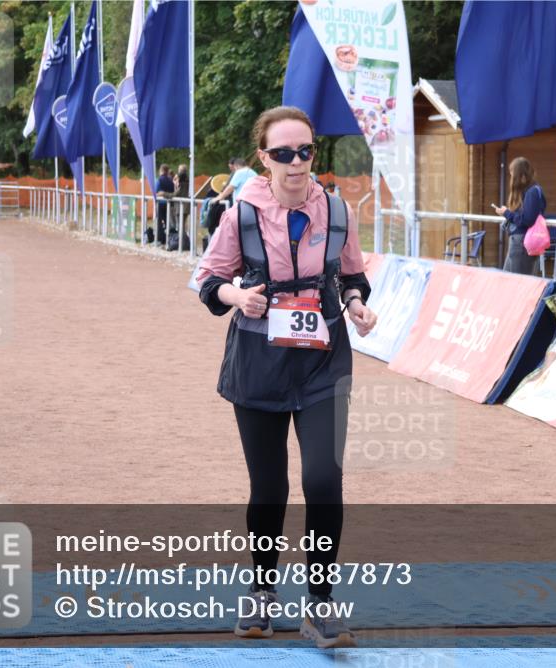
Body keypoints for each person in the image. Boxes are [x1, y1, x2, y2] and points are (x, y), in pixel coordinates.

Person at [194, 106, 377, 649]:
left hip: (323, 362)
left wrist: (356, 304)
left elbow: (351, 275)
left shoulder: (337, 211)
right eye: (283, 154)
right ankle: (261, 592)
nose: (296, 163)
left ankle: (320, 605)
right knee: (269, 486)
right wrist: (237, 295)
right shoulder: (241, 215)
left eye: (305, 151)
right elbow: (208, 279)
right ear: (264, 158)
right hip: (259, 362)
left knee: (323, 479)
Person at [493, 157, 546, 275]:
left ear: (520, 175)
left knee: (516, 280)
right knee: (508, 279)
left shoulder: (532, 192)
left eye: (512, 174)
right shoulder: (529, 191)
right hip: (519, 241)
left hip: (522, 242)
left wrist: (507, 213)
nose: (511, 178)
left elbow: (527, 220)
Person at [155, 164, 174, 245]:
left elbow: (155, 192)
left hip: (160, 203)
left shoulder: (159, 180)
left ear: (161, 170)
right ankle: (168, 238)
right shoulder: (171, 181)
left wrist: (160, 194)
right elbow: (173, 191)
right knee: (167, 222)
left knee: (159, 222)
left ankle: (160, 239)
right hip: (169, 204)